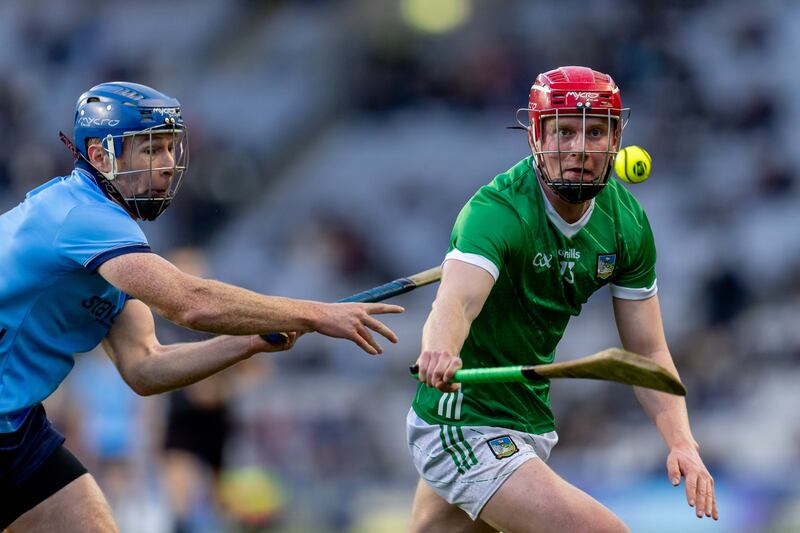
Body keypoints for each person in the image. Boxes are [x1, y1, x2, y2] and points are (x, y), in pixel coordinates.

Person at [0, 81, 403, 532]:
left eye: (172, 149)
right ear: (99, 156)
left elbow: (145, 366)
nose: (169, 165)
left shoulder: (112, 250)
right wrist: (316, 313)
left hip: (16, 430)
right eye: (151, 150)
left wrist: (248, 342)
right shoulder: (82, 217)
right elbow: (187, 303)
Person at [407, 66, 717, 532]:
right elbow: (456, 303)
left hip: (528, 418)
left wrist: (682, 443)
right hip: (465, 420)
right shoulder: (497, 211)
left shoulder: (624, 223)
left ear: (616, 141)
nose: (579, 149)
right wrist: (440, 350)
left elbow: (648, 350)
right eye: (564, 131)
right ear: (535, 137)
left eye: (595, 132)